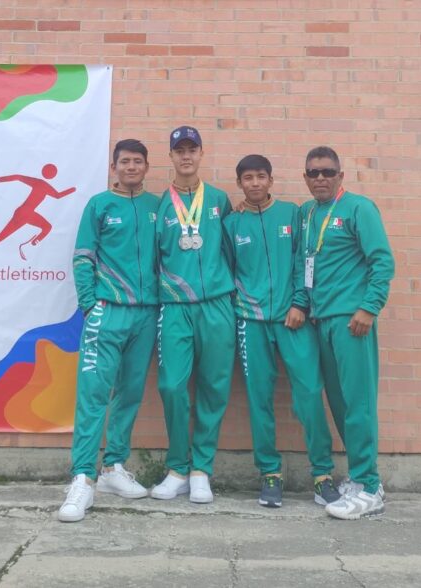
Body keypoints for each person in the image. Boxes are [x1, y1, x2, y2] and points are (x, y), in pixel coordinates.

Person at [224, 154, 339, 508]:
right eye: (248, 178)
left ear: (271, 180)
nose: (255, 183)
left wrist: (300, 302)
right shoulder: (231, 224)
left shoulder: (293, 214)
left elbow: (307, 261)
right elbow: (227, 272)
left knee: (308, 392)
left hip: (294, 319)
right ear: (240, 183)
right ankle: (269, 474)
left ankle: (322, 475)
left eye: (261, 176)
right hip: (251, 322)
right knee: (259, 399)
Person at [58, 139, 159, 523]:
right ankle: (83, 478)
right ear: (114, 167)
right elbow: (84, 256)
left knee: (131, 393)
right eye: (125, 162)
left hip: (146, 314)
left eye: (138, 161)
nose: (131, 167)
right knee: (94, 395)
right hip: (107, 312)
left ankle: (114, 468)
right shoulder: (99, 205)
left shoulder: (157, 207)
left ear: (147, 167)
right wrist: (90, 303)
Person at [300, 146, 394, 520]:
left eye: (327, 172)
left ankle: (370, 487)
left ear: (341, 175)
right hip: (320, 322)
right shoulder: (308, 214)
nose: (320, 178)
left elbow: (382, 260)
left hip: (351, 322)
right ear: (305, 178)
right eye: (313, 172)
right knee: (339, 404)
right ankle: (358, 478)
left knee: (358, 404)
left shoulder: (359, 208)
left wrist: (369, 307)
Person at [151, 126, 235, 504]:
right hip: (175, 307)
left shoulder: (219, 200)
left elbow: (232, 252)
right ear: (170, 156)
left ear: (201, 154)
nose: (186, 156)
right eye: (179, 150)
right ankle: (177, 468)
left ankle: (201, 470)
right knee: (171, 386)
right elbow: (154, 258)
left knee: (213, 388)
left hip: (217, 304)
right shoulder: (160, 205)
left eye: (192, 149)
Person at [0, 163, 76, 261]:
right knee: (47, 227)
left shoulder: (38, 182)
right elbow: (58, 195)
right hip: (28, 213)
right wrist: (73, 189)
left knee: (4, 234)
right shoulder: (44, 185)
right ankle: (32, 244)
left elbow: (18, 177)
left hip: (23, 212)